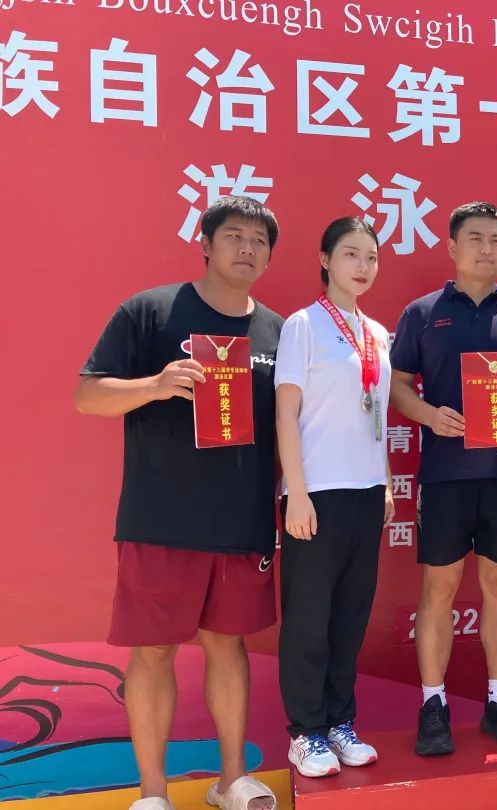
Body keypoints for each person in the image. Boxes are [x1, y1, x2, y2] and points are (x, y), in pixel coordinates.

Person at [75, 196, 282, 810]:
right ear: (206, 244)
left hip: (242, 521)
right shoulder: (151, 311)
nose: (247, 249)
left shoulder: (278, 331)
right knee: (154, 650)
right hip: (161, 519)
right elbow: (88, 396)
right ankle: (153, 793)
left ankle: (231, 780)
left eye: (259, 241)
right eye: (235, 236)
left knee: (228, 645)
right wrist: (157, 384)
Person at [388, 201, 497, 755]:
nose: (487, 248)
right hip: (445, 476)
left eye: (496, 239)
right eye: (475, 238)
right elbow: (397, 383)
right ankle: (432, 704)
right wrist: (429, 415)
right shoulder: (423, 313)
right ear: (453, 248)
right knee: (440, 587)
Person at [274, 217, 393, 777]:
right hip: (316, 492)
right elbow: (286, 413)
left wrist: (385, 481)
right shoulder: (303, 325)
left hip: (366, 493)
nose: (362, 266)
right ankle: (306, 731)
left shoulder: (378, 333)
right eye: (350, 254)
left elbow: (378, 416)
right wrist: (296, 493)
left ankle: (341, 722)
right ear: (325, 260)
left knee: (350, 616)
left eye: (371, 256)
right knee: (308, 619)